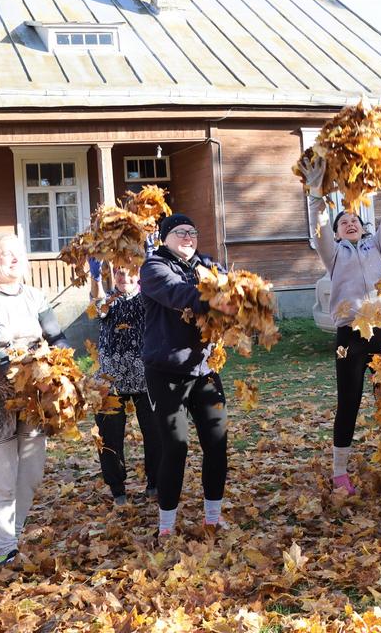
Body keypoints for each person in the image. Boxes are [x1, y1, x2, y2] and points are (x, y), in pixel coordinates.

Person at [301, 155, 381, 493]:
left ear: (364, 227)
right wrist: (316, 193)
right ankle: (339, 470)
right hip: (349, 335)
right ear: (336, 233)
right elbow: (318, 229)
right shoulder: (333, 254)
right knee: (349, 400)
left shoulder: (378, 246)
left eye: (354, 220)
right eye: (343, 221)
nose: (349, 222)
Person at [0, 233, 70, 565]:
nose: (13, 259)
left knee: (31, 472)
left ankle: (13, 532)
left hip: (35, 396)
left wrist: (63, 363)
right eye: (5, 254)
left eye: (17, 254)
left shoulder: (35, 296)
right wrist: (32, 359)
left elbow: (57, 336)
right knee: (2, 477)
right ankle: (5, 548)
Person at [140, 213, 235, 536]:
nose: (188, 237)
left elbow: (232, 286)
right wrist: (219, 300)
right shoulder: (153, 267)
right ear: (165, 237)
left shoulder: (207, 265)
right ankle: (166, 526)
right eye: (180, 232)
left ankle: (212, 517)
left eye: (192, 232)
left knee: (217, 441)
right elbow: (180, 294)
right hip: (165, 372)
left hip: (205, 369)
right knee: (175, 446)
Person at [94, 265, 160, 506]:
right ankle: (117, 489)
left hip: (146, 378)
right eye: (119, 273)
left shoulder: (148, 297)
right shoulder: (107, 299)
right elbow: (98, 308)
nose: (125, 278)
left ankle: (155, 483)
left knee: (155, 432)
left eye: (130, 272)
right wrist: (95, 277)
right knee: (109, 437)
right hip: (110, 380)